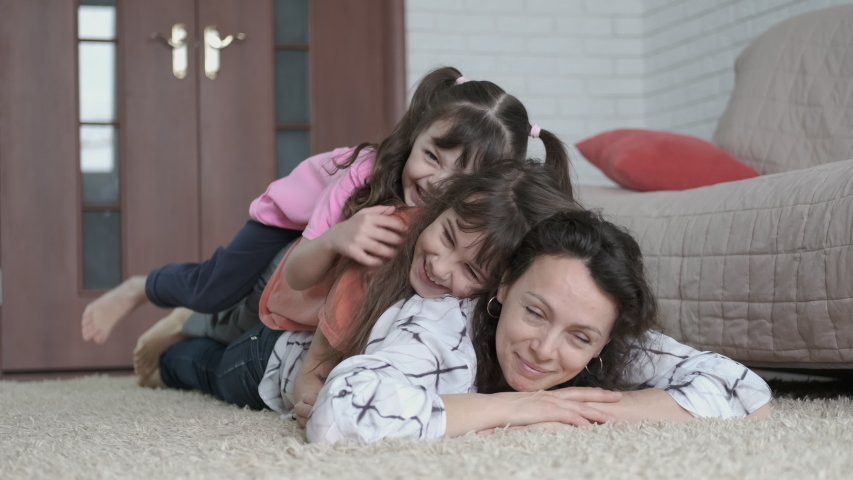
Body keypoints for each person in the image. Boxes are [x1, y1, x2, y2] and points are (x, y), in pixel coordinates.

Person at [159, 199, 772, 443]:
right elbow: (341, 410)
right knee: (191, 364)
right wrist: (517, 409)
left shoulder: (606, 339)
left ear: (609, 338)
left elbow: (746, 390)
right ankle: (176, 331)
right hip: (272, 360)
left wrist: (590, 410)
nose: (544, 349)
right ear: (503, 286)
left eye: (581, 337)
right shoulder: (437, 320)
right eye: (536, 312)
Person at [79, 66, 572, 364]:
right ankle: (139, 288)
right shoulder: (365, 175)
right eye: (431, 157)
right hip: (287, 221)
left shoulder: (471, 219)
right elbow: (300, 269)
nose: (436, 181)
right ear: (415, 137)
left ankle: (194, 327)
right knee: (215, 289)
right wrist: (341, 235)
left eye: (460, 176)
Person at [155, 160, 580, 417]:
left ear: (505, 282)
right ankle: (170, 345)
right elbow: (318, 361)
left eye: (470, 269)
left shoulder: (496, 307)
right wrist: (310, 393)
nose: (440, 265)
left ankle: (193, 324)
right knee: (201, 368)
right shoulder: (386, 250)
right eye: (446, 236)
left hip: (294, 319)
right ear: (438, 210)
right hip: (271, 351)